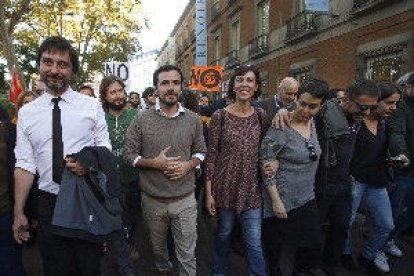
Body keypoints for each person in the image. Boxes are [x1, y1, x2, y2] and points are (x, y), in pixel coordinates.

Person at [12, 36, 111, 276]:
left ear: (72, 70)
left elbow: (105, 151)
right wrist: (19, 212)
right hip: (48, 204)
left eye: (62, 64)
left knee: (88, 268)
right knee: (55, 268)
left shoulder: (91, 106)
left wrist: (89, 163)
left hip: (85, 198)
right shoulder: (27, 113)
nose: (54, 70)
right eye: (48, 62)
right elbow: (25, 165)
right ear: (39, 65)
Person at [123, 64, 206, 276]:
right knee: (159, 252)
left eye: (175, 83)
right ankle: (163, 269)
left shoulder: (193, 119)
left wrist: (188, 165)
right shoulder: (141, 118)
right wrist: (155, 163)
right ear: (156, 88)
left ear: (181, 87)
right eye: (165, 83)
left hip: (185, 199)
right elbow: (128, 155)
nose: (171, 88)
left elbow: (201, 152)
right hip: (153, 200)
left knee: (187, 254)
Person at [205, 65, 267, 276]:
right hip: (225, 187)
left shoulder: (261, 115)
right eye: (239, 79)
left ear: (256, 87)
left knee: (254, 242)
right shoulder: (219, 116)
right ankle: (219, 271)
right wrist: (209, 193)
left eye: (249, 80)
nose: (244, 84)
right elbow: (211, 156)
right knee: (224, 233)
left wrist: (272, 162)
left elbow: (268, 148)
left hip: (251, 188)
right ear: (232, 85)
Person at [260, 79, 327, 276]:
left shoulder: (315, 122)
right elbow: (265, 163)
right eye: (302, 103)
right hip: (282, 200)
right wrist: (276, 202)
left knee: (311, 245)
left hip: (307, 196)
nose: (306, 110)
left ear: (321, 105)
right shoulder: (281, 125)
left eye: (313, 106)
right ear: (295, 99)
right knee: (277, 256)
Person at [343, 82, 401, 274]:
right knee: (347, 222)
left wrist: (395, 159)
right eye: (389, 103)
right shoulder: (356, 121)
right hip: (355, 182)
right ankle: (346, 255)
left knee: (386, 224)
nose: (393, 108)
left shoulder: (386, 123)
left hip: (377, 182)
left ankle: (368, 256)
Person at [99, 75, 139, 275]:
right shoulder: (99, 118)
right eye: (112, 92)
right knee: (116, 222)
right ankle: (120, 258)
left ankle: (130, 242)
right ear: (105, 96)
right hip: (107, 183)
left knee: (132, 218)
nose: (117, 96)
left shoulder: (136, 116)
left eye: (120, 91)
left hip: (133, 180)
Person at [388, 72, 414, 246]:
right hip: (404, 169)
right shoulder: (401, 107)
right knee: (393, 211)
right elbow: (396, 133)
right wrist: (403, 154)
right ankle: (382, 244)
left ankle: (391, 237)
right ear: (409, 87)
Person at [0, 103, 26, 276]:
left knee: (10, 265)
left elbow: (22, 169)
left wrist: (21, 211)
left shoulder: (9, 131)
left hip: (5, 210)